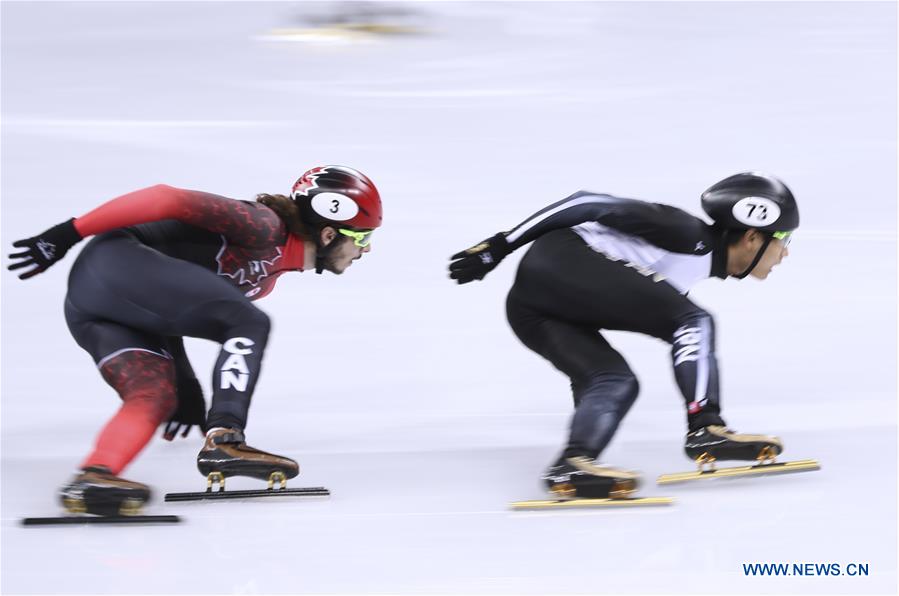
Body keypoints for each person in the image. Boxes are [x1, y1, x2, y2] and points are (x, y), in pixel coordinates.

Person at [7, 165, 382, 515]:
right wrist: (66, 233)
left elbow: (168, 308)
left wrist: (185, 381)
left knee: (154, 396)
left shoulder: (265, 280)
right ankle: (225, 439)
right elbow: (164, 198)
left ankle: (93, 476)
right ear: (329, 234)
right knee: (249, 321)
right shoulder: (263, 226)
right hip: (115, 260)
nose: (365, 251)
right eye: (362, 238)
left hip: (98, 305)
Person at [448, 172, 798, 499]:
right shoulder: (684, 231)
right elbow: (584, 202)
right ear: (752, 237)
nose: (786, 253)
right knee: (694, 322)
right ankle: (706, 426)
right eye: (784, 239)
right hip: (561, 260)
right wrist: (501, 244)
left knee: (613, 380)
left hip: (531, 310)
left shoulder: (686, 270)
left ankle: (572, 465)